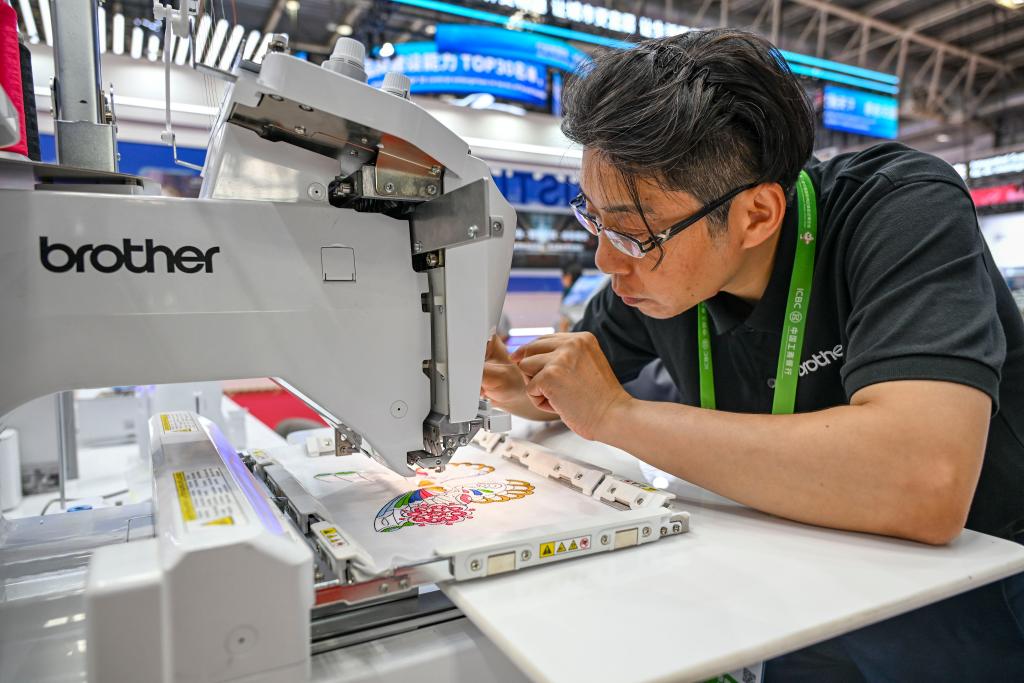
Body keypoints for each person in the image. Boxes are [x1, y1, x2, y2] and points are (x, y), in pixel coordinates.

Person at [482, 28, 1024, 681]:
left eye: (631, 232)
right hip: (798, 582)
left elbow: (922, 480)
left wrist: (616, 416)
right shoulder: (654, 282)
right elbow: (573, 381)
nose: (605, 260)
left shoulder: (898, 208)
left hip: (973, 589)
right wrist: (518, 384)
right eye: (593, 218)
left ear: (758, 215)